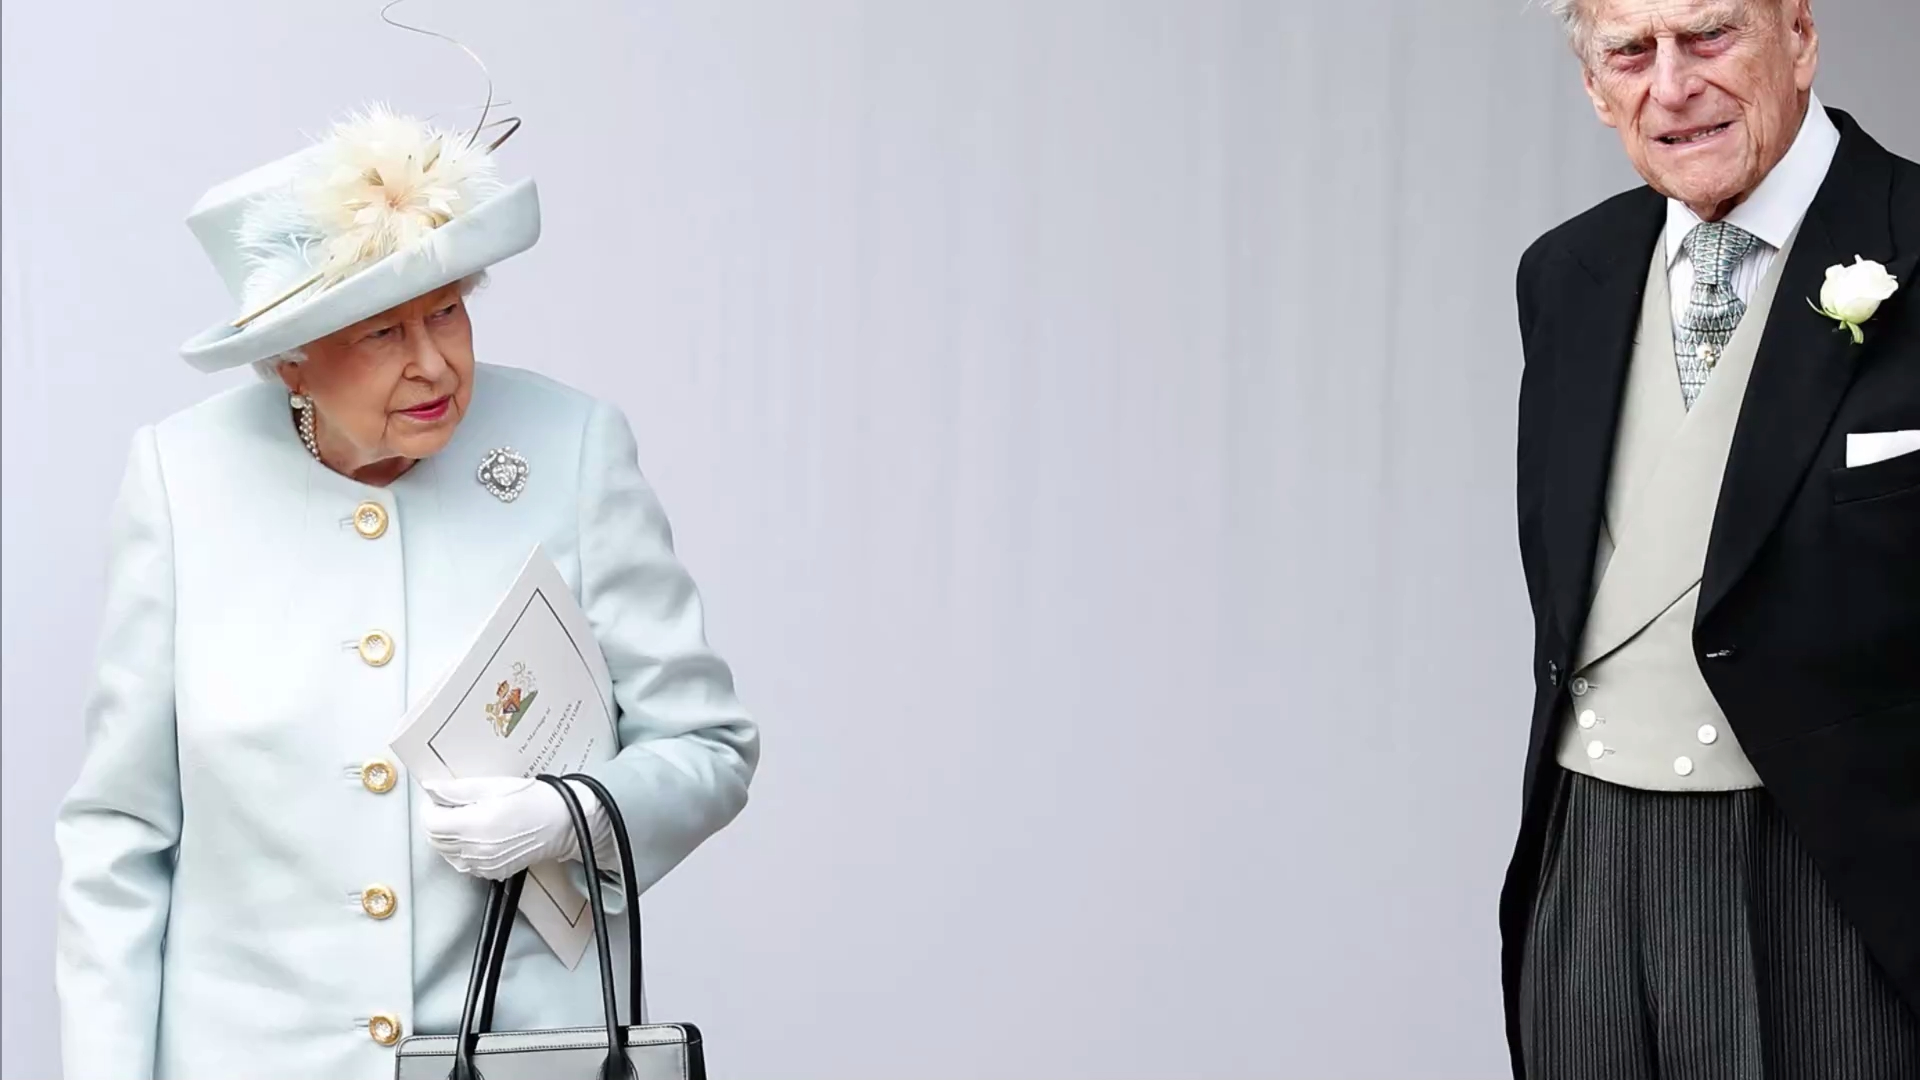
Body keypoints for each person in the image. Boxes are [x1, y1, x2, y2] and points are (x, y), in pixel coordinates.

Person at [53, 103, 760, 1079]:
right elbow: (121, 834)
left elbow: (709, 746)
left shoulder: (573, 448)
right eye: (383, 331)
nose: (434, 363)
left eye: (447, 310)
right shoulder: (182, 480)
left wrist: (577, 814)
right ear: (290, 358)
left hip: (511, 1053)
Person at [1504, 1, 1920, 1077]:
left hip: (1841, 877)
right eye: (1630, 53)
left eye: (1709, 35)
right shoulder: (1565, 273)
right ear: (1596, 90)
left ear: (1800, 35)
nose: (1673, 85)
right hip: (1588, 858)